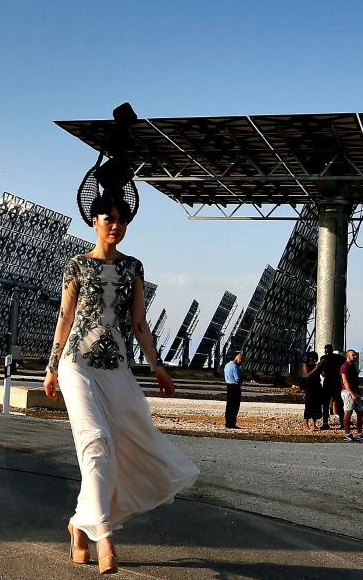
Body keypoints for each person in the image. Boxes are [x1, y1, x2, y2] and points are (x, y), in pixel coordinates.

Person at [44, 193, 198, 574]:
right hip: (75, 363)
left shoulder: (133, 268)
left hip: (116, 367)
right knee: (94, 440)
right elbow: (65, 318)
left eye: (121, 219)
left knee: (128, 442)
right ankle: (105, 536)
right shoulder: (76, 266)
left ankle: (79, 523)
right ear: (94, 221)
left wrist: (158, 367)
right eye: (107, 218)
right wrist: (51, 367)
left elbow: (140, 323)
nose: (115, 225)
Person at [340, 349, 363, 442]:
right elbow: (345, 381)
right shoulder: (345, 366)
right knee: (348, 412)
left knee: (360, 413)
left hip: (356, 392)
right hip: (348, 392)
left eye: (355, 355)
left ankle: (359, 434)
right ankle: (347, 434)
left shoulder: (353, 367)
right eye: (353, 355)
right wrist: (352, 394)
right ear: (348, 356)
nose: (355, 356)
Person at [319, 344, 344, 429]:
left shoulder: (338, 358)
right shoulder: (324, 358)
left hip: (335, 381)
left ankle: (342, 422)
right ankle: (325, 423)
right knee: (326, 404)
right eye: (326, 350)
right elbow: (322, 369)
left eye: (328, 350)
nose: (327, 352)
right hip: (329, 382)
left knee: (339, 403)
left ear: (332, 350)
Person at [302, 351, 323, 432]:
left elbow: (323, 374)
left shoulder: (317, 365)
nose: (313, 360)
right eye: (312, 358)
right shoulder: (306, 364)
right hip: (310, 386)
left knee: (316, 405)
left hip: (317, 385)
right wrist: (315, 369)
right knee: (309, 405)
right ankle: (305, 424)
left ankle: (314, 424)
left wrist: (321, 367)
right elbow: (307, 374)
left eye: (314, 358)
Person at [224, 352, 244, 429]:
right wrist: (242, 379)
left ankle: (227, 422)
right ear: (239, 360)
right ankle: (231, 423)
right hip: (235, 387)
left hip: (228, 386)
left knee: (229, 405)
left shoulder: (227, 365)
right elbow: (238, 379)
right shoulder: (235, 366)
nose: (241, 364)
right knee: (235, 406)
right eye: (241, 362)